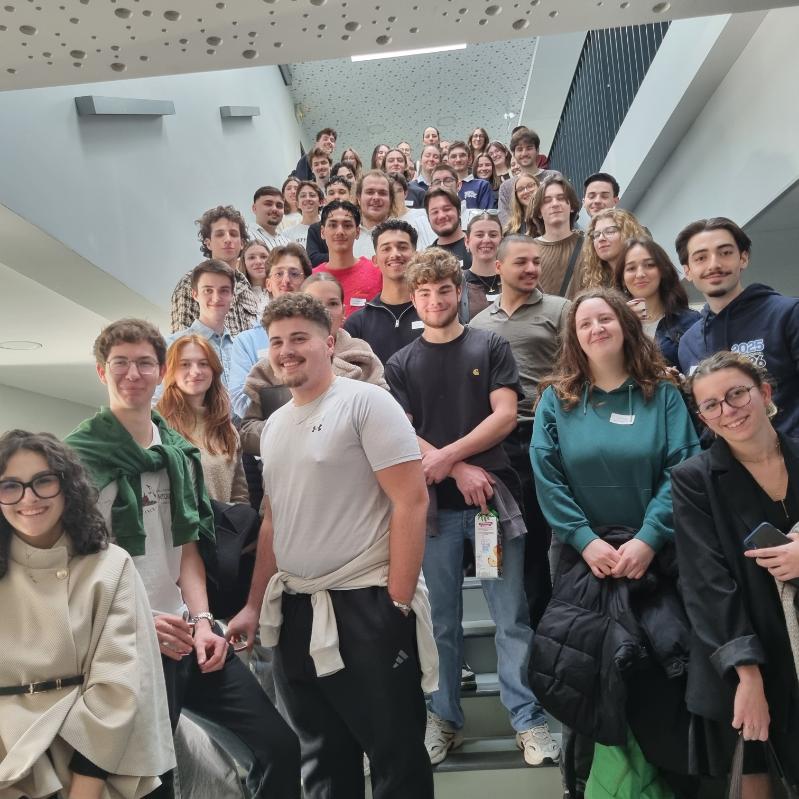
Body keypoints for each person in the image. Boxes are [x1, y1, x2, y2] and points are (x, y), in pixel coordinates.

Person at [66, 318, 301, 799]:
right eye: (120, 364)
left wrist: (203, 621)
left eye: (144, 363)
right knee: (155, 780)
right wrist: (137, 620)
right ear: (102, 371)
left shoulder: (178, 453)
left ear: (160, 372)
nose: (133, 374)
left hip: (189, 633)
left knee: (278, 747)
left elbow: (187, 548)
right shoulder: (75, 461)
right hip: (123, 644)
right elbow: (69, 569)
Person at [228, 292, 436, 798]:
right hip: (296, 608)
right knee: (322, 763)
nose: (286, 351)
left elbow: (411, 501)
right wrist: (254, 605)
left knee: (395, 757)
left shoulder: (366, 402)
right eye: (277, 341)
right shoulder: (275, 426)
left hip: (367, 604)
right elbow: (273, 520)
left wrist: (397, 603)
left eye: (299, 338)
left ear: (329, 342)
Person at [385, 248, 561, 768]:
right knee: (440, 621)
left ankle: (527, 721)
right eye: (424, 292)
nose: (435, 300)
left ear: (459, 292)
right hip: (432, 512)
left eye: (444, 290)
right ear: (414, 298)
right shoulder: (401, 363)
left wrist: (449, 458)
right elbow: (402, 432)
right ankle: (444, 719)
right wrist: (457, 467)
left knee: (511, 618)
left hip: (492, 504)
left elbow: (505, 416)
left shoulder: (491, 344)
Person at [530, 288, 700, 799]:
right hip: (584, 559)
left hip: (656, 555)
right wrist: (586, 541)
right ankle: (587, 784)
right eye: (584, 323)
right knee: (585, 674)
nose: (595, 329)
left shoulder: (662, 394)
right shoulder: (556, 399)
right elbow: (547, 477)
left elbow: (683, 467)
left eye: (604, 318)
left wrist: (648, 539)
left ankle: (667, 781)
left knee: (660, 674)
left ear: (626, 325)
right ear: (574, 336)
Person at [0, 429, 176, 799]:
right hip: (10, 756)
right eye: (10, 486)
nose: (28, 498)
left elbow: (117, 684)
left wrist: (85, 788)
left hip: (96, 753)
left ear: (67, 486)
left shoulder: (110, 565)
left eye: (43, 481)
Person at [672, 351, 799, 794]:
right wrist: (747, 674)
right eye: (712, 405)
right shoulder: (693, 479)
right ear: (703, 418)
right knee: (753, 773)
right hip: (744, 651)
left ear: (764, 393)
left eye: (737, 394)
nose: (728, 410)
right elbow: (706, 583)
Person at [471, 234, 569, 626]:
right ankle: (517, 627)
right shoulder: (479, 323)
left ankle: (551, 626)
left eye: (536, 262)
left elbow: (576, 369)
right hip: (500, 442)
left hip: (549, 435)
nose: (531, 269)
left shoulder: (560, 310)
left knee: (548, 539)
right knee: (510, 538)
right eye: (521, 262)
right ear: (498, 267)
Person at [676, 216, 799, 437]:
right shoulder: (688, 343)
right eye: (701, 258)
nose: (714, 264)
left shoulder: (787, 314)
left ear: (743, 258)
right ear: (688, 271)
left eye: (725, 253)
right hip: (726, 458)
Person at [241, 273, 387, 456]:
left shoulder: (363, 356)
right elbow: (247, 432)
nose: (323, 310)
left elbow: (382, 419)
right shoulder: (271, 366)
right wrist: (292, 428)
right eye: (315, 303)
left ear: (343, 311)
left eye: (332, 303)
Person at [156, 335, 248, 505]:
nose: (195, 371)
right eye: (185, 364)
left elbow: (240, 496)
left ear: (213, 370)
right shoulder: (157, 425)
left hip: (220, 522)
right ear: (170, 370)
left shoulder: (227, 430)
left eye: (203, 364)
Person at [229, 243, 313, 419]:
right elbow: (240, 399)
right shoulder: (246, 342)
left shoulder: (319, 333)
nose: (286, 280)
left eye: (294, 273)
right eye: (279, 274)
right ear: (268, 283)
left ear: (306, 282)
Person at [344, 219, 424, 365]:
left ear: (416, 256)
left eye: (402, 247)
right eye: (386, 249)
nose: (395, 254)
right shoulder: (357, 323)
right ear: (375, 260)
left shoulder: (433, 313)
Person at [170, 205, 257, 335]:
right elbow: (182, 339)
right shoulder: (191, 282)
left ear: (242, 243)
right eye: (220, 234)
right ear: (208, 243)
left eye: (233, 234)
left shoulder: (247, 289)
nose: (228, 239)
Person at [614, 237, 700, 368]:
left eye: (649, 265)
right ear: (622, 279)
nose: (640, 274)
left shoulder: (690, 321)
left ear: (663, 271)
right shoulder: (613, 326)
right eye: (631, 268)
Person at [313, 199, 383, 317]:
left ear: (357, 232)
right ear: (322, 232)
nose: (340, 231)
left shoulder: (377, 272)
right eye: (333, 225)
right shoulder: (312, 278)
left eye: (347, 225)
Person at [531, 174, 585, 299]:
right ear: (539, 212)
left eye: (561, 198)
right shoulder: (528, 250)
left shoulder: (589, 246)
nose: (555, 204)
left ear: (572, 207)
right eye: (547, 200)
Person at [498, 129, 558, 227]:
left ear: (537, 150)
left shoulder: (554, 177)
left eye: (529, 148)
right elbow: (505, 223)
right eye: (519, 149)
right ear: (514, 154)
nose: (524, 153)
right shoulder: (506, 187)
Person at [579, 208, 649, 291]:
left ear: (627, 235)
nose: (601, 238)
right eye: (596, 235)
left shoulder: (648, 272)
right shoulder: (596, 283)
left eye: (610, 232)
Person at [460, 212, 504, 321]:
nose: (486, 240)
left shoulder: (515, 278)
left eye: (493, 235)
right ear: (467, 241)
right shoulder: (456, 282)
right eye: (479, 235)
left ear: (502, 241)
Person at [305, 176, 354, 268]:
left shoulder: (360, 226)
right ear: (325, 200)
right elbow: (312, 259)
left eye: (342, 192)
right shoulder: (315, 229)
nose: (336, 196)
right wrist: (341, 256)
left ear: (351, 198)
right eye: (331, 193)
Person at [424, 187, 472, 269]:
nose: (441, 216)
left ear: (459, 212)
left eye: (446, 209)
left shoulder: (477, 244)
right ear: (428, 218)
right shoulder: (426, 259)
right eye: (435, 212)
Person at [354, 170, 392, 258]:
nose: (376, 197)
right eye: (370, 192)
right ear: (358, 198)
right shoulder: (347, 235)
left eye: (382, 193)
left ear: (390, 199)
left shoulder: (402, 235)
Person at [443, 144, 493, 209]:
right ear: (448, 161)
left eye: (462, 155)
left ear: (470, 159)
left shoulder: (482, 185)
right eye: (453, 156)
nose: (458, 160)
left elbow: (486, 213)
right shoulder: (442, 186)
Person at [282, 180, 323, 249]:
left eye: (312, 195)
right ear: (297, 204)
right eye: (303, 196)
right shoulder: (287, 234)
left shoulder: (330, 228)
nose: (307, 198)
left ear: (321, 202)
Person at [251, 186, 290, 252]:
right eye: (268, 204)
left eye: (279, 206)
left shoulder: (288, 244)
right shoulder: (244, 237)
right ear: (254, 208)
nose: (274, 209)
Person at [240, 239, 270, 319]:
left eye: (263, 257)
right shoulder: (237, 295)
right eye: (251, 257)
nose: (258, 261)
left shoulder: (281, 290)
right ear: (244, 262)